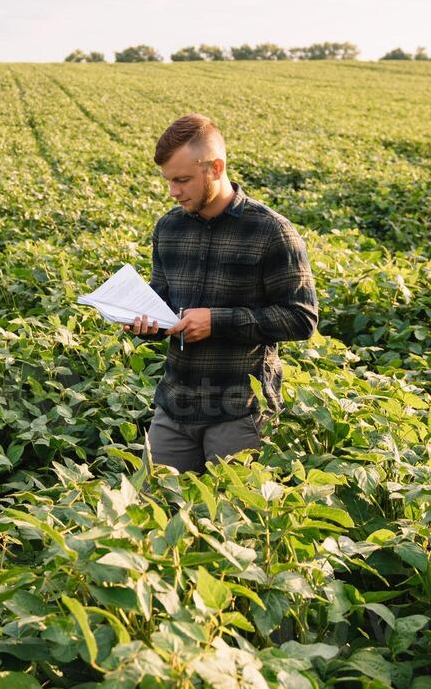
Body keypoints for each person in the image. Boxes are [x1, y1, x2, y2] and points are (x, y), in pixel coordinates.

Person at [123, 114, 318, 473]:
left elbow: (302, 318)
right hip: (174, 403)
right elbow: (163, 298)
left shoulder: (271, 231)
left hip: (239, 411)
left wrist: (217, 321)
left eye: (183, 180)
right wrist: (145, 321)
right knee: (154, 511)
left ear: (215, 167)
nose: (174, 191)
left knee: (233, 520)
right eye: (168, 181)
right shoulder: (169, 228)